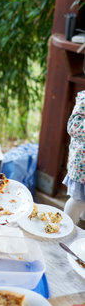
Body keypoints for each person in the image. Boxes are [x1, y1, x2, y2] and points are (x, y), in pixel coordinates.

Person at [63, 90, 85, 224]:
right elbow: (73, 126)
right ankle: (67, 226)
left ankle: (82, 220)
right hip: (82, 164)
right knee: (78, 200)